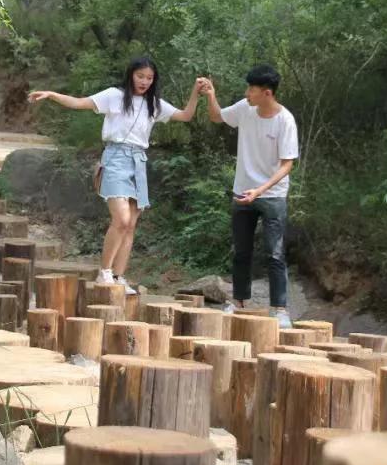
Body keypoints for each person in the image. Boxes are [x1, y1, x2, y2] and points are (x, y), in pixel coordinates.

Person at [29, 57, 201, 293]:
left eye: (149, 78)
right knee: (121, 219)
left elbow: (185, 115)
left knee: (130, 224)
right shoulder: (114, 95)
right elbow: (79, 103)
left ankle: (119, 276)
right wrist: (52, 95)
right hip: (116, 157)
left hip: (138, 161)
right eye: (140, 76)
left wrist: (196, 92)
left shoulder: (154, 104)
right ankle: (104, 272)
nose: (144, 82)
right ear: (131, 75)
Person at [201, 65, 298, 328]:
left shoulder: (284, 120)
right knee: (240, 251)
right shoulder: (245, 108)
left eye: (251, 90)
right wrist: (211, 95)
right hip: (243, 191)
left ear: (267, 93)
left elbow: (287, 164)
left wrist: (261, 190)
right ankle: (238, 301)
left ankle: (279, 309)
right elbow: (217, 117)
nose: (247, 94)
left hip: (272, 195)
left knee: (275, 253)